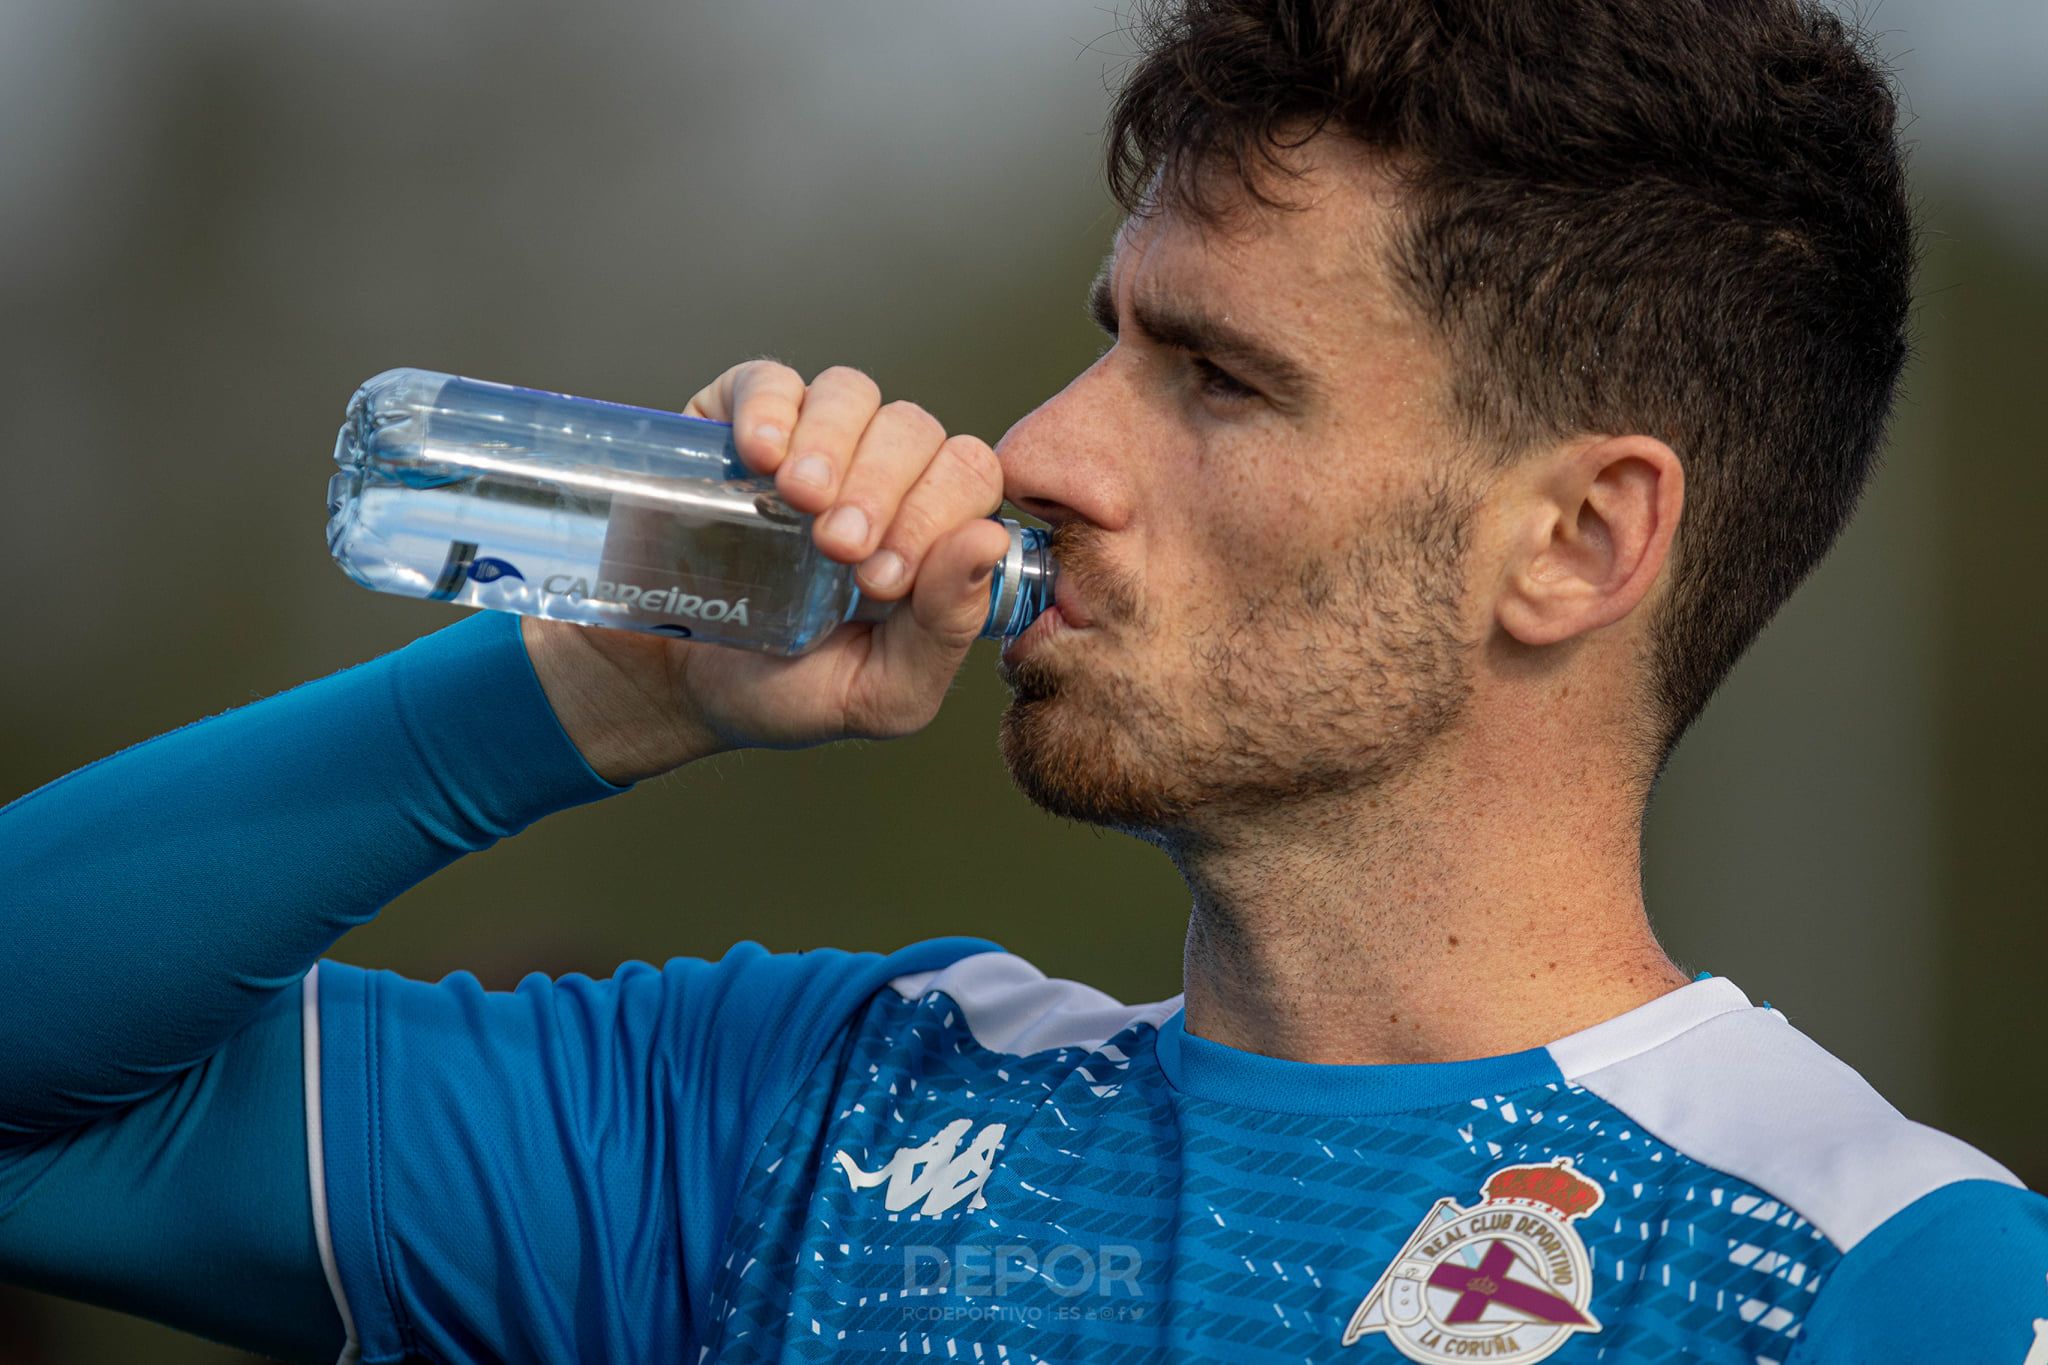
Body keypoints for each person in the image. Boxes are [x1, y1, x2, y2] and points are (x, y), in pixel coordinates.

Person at [3, 0, 2042, 1361]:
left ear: (1578, 539)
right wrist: (601, 684)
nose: (1041, 449)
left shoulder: (1871, 1276)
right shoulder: (801, 1121)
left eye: (1218, 378)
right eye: (1107, 338)